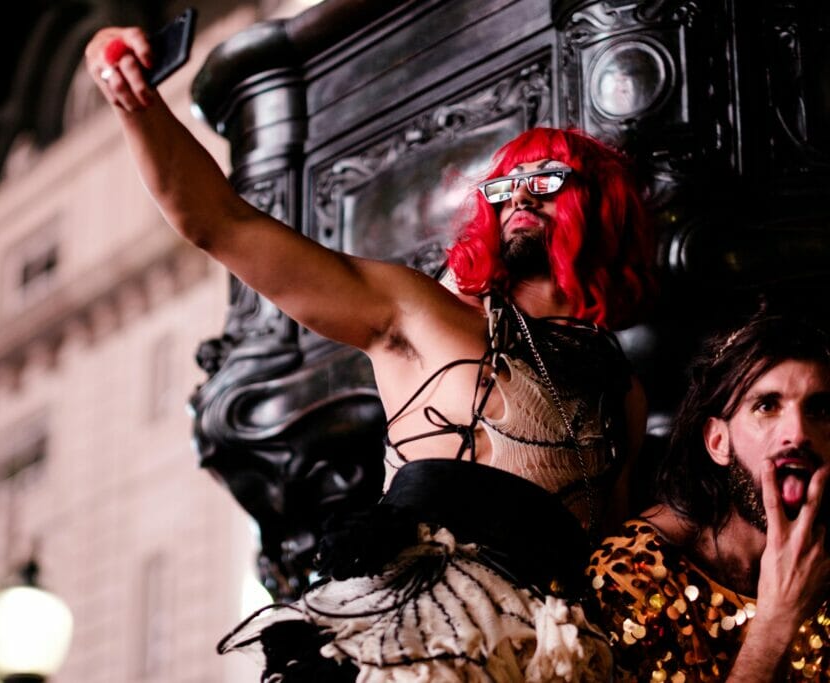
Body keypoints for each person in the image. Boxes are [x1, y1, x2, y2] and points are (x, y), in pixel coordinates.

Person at [86, 26, 655, 682]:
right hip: (405, 645)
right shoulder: (419, 313)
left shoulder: (622, 391)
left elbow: (610, 564)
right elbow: (220, 222)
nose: (521, 195)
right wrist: (133, 102)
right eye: (503, 187)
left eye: (548, 178)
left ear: (601, 203)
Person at [588, 313, 830, 681]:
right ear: (718, 442)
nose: (798, 433)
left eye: (819, 409)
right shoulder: (636, 574)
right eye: (767, 406)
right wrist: (776, 621)